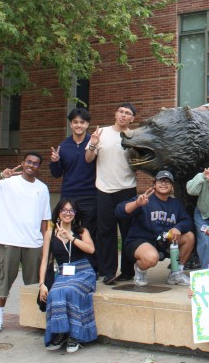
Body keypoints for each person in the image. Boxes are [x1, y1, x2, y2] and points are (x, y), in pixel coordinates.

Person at [0, 152, 51, 335]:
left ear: (38, 167)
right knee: (4, 282)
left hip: (33, 244)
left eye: (35, 163)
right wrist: (1, 175)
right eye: (28, 162)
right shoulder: (6, 183)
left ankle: (36, 318)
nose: (31, 165)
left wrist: (47, 247)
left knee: (34, 284)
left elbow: (45, 221)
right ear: (22, 163)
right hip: (9, 241)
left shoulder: (42, 188)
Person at [85, 102, 138, 285]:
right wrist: (92, 144)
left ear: (132, 119)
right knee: (106, 233)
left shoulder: (134, 136)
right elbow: (88, 159)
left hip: (127, 189)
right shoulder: (101, 133)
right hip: (104, 190)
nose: (123, 115)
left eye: (128, 113)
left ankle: (128, 271)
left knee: (128, 232)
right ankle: (108, 272)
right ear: (115, 114)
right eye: (121, 111)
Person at [115, 171, 194, 286]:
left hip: (163, 241)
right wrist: (136, 204)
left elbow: (188, 221)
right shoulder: (144, 199)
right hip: (141, 241)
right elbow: (119, 211)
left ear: (172, 186)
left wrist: (178, 227)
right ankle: (140, 270)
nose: (164, 184)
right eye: (160, 181)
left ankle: (176, 273)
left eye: (167, 181)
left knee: (189, 237)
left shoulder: (175, 204)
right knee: (151, 257)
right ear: (154, 184)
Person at [39, 198, 97, 353]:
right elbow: (45, 260)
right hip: (64, 273)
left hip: (84, 272)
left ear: (75, 214)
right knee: (56, 292)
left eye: (71, 210)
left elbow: (91, 250)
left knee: (70, 290)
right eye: (64, 210)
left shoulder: (81, 231)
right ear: (58, 212)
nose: (68, 213)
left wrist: (71, 237)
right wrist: (41, 284)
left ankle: (74, 335)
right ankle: (60, 333)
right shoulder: (49, 234)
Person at [49, 107, 98, 271]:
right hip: (69, 197)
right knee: (67, 230)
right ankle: (66, 264)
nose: (79, 125)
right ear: (71, 124)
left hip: (90, 195)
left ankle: (92, 268)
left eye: (82, 122)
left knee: (89, 232)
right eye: (75, 122)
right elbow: (56, 174)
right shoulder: (64, 146)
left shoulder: (93, 142)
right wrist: (55, 161)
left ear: (87, 124)